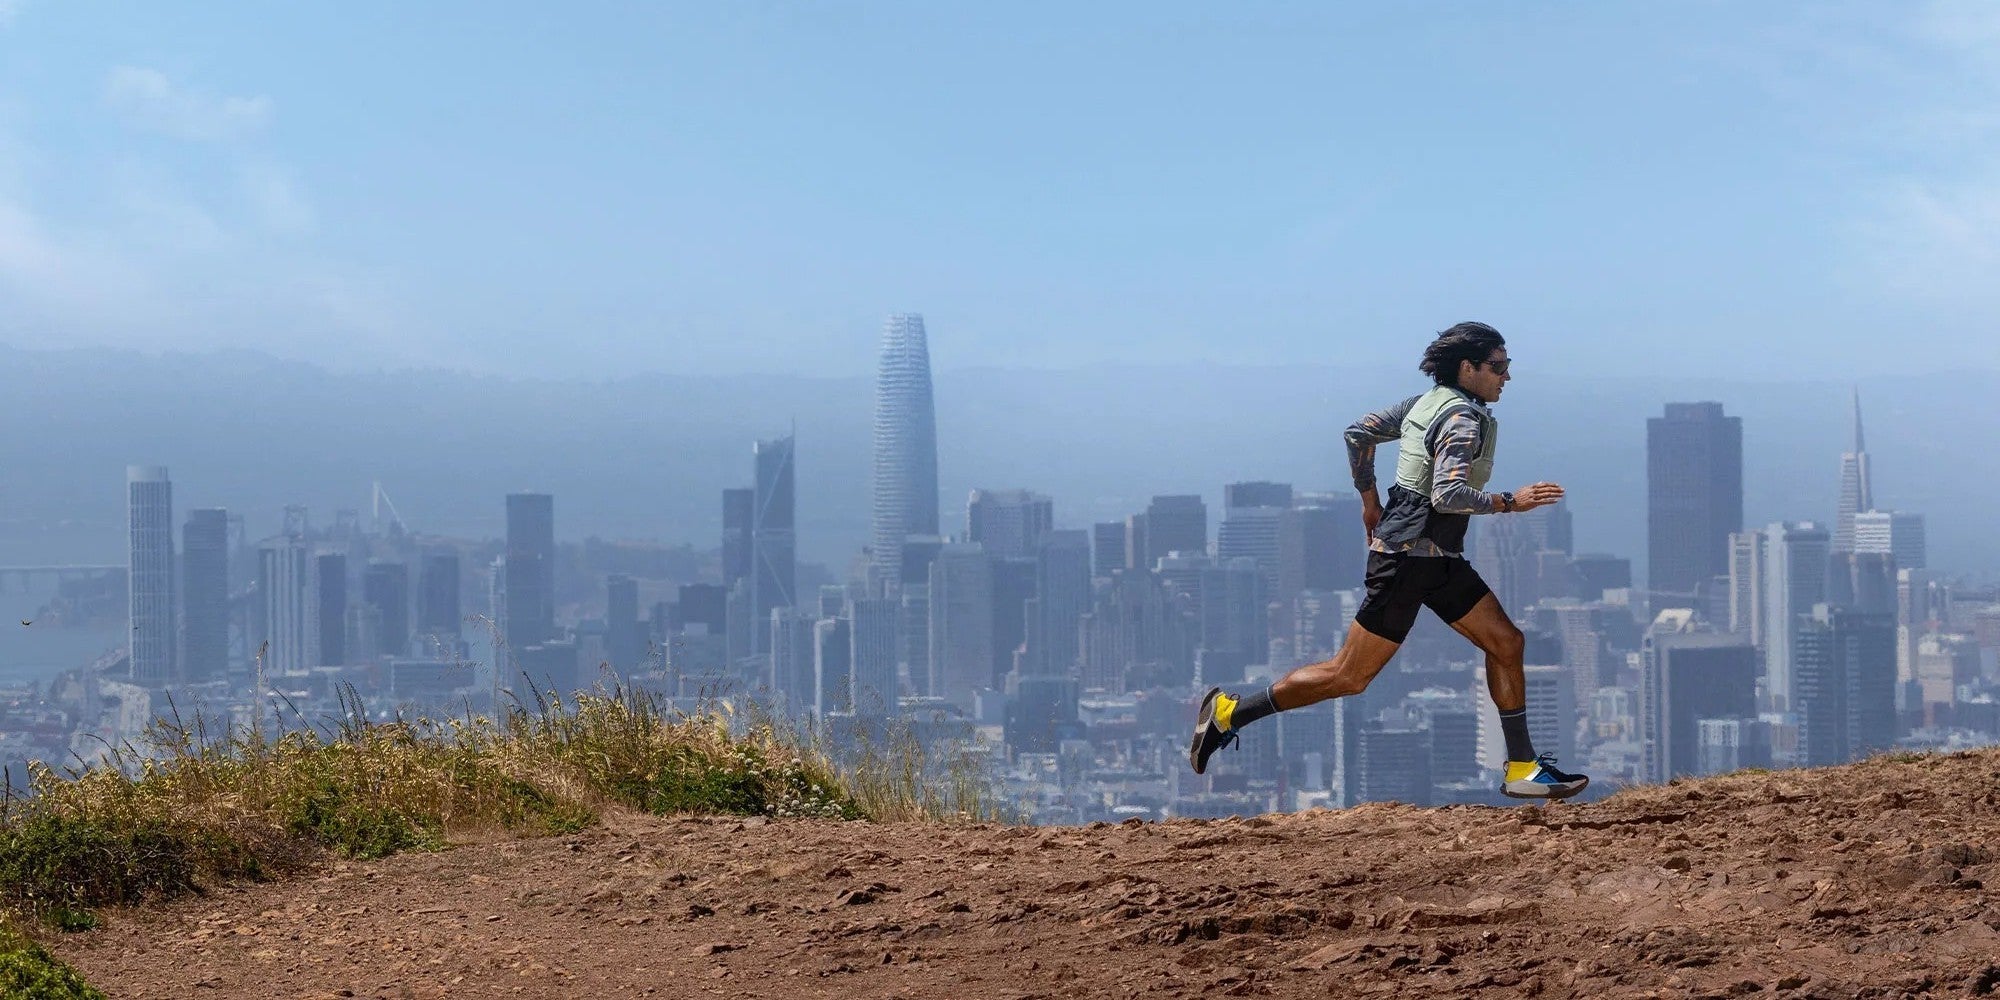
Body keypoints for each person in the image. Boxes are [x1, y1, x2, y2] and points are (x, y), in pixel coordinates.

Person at [1188, 321, 1588, 799]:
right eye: (1498, 367)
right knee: (1349, 676)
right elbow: (1448, 494)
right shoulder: (1460, 418)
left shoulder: (1424, 404)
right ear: (1468, 369)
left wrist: (1369, 499)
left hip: (1436, 557)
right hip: (1405, 561)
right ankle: (1229, 713)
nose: (1506, 377)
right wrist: (1510, 501)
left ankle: (1522, 768)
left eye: (1507, 367)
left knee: (1506, 642)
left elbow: (1359, 434)